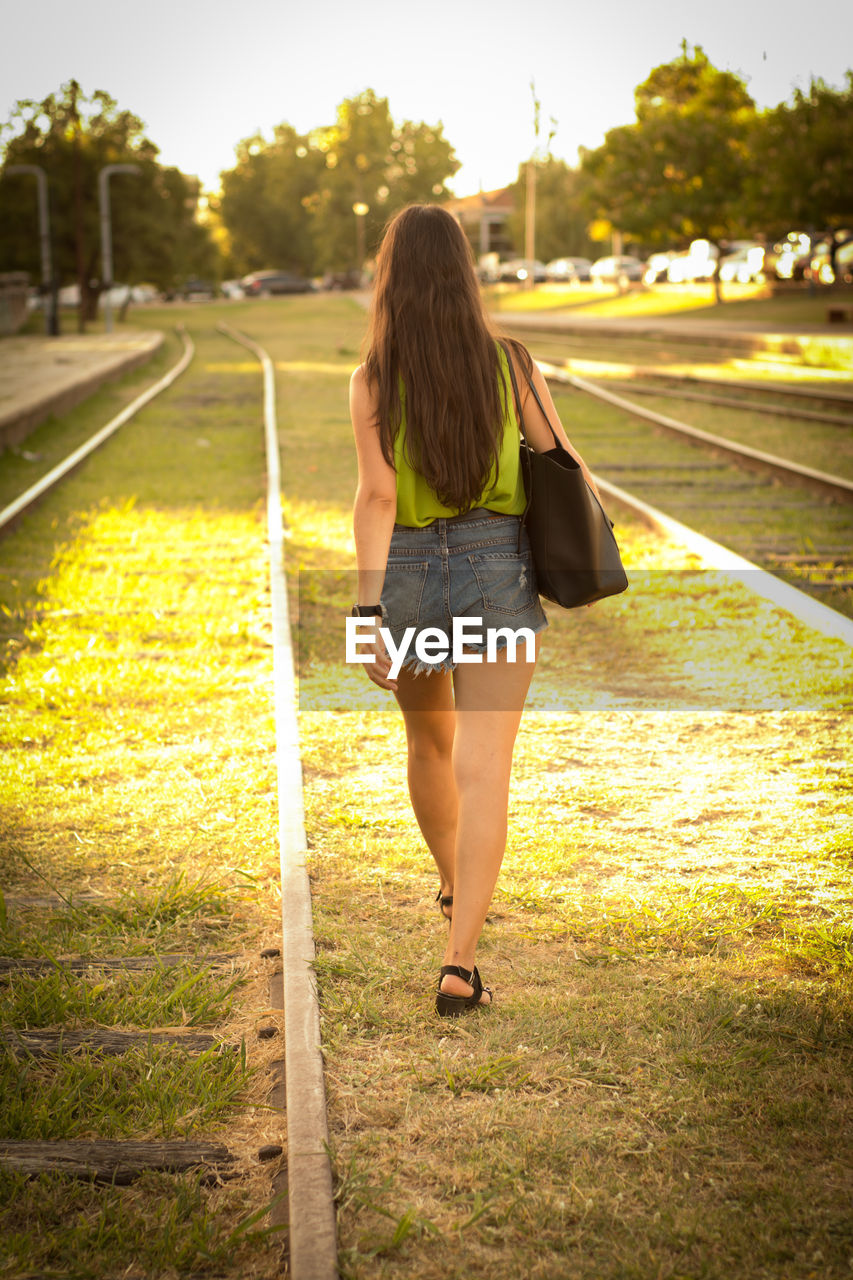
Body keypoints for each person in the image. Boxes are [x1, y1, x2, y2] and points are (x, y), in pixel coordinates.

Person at [348, 204, 601, 1016]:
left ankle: (458, 886)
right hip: (496, 569)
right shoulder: (511, 364)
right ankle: (459, 964)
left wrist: (365, 614)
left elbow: (378, 497)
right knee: (484, 769)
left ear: (390, 277)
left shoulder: (372, 380)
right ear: (464, 272)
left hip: (413, 572)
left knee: (429, 745)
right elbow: (562, 461)